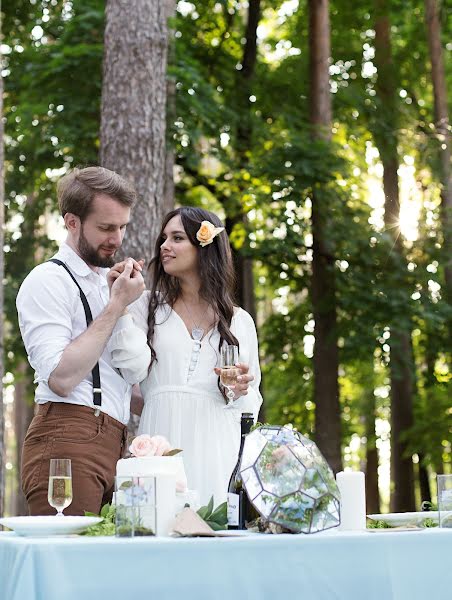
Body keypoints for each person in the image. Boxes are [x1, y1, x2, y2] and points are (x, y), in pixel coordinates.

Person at [107, 206, 263, 505]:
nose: (165, 246)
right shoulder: (147, 307)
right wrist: (122, 305)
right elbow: (130, 369)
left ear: (205, 248)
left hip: (218, 445)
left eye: (177, 238)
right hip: (161, 441)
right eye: (164, 238)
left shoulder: (239, 321)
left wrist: (238, 390)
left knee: (214, 531)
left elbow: (248, 405)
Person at [16, 166, 145, 516]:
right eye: (105, 228)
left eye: (122, 227)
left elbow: (122, 383)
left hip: (117, 444)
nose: (117, 239)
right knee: (70, 564)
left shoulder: (110, 281)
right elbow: (61, 378)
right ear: (72, 222)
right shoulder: (47, 281)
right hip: (66, 441)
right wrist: (117, 305)